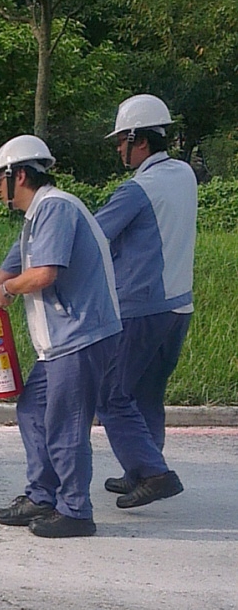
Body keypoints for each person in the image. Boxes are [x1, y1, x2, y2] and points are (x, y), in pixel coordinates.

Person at [0, 134, 144, 539]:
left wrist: (8, 291)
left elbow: (43, 274)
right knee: (33, 411)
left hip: (81, 336)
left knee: (65, 425)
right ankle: (42, 496)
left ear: (18, 175)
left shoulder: (56, 208)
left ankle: (75, 511)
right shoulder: (34, 222)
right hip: (60, 343)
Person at [94, 94, 197, 509]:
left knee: (110, 395)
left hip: (141, 307)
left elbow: (93, 237)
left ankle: (153, 474)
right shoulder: (184, 174)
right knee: (146, 394)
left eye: (122, 140)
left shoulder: (136, 190)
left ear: (139, 139)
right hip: (178, 306)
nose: (119, 149)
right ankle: (140, 469)